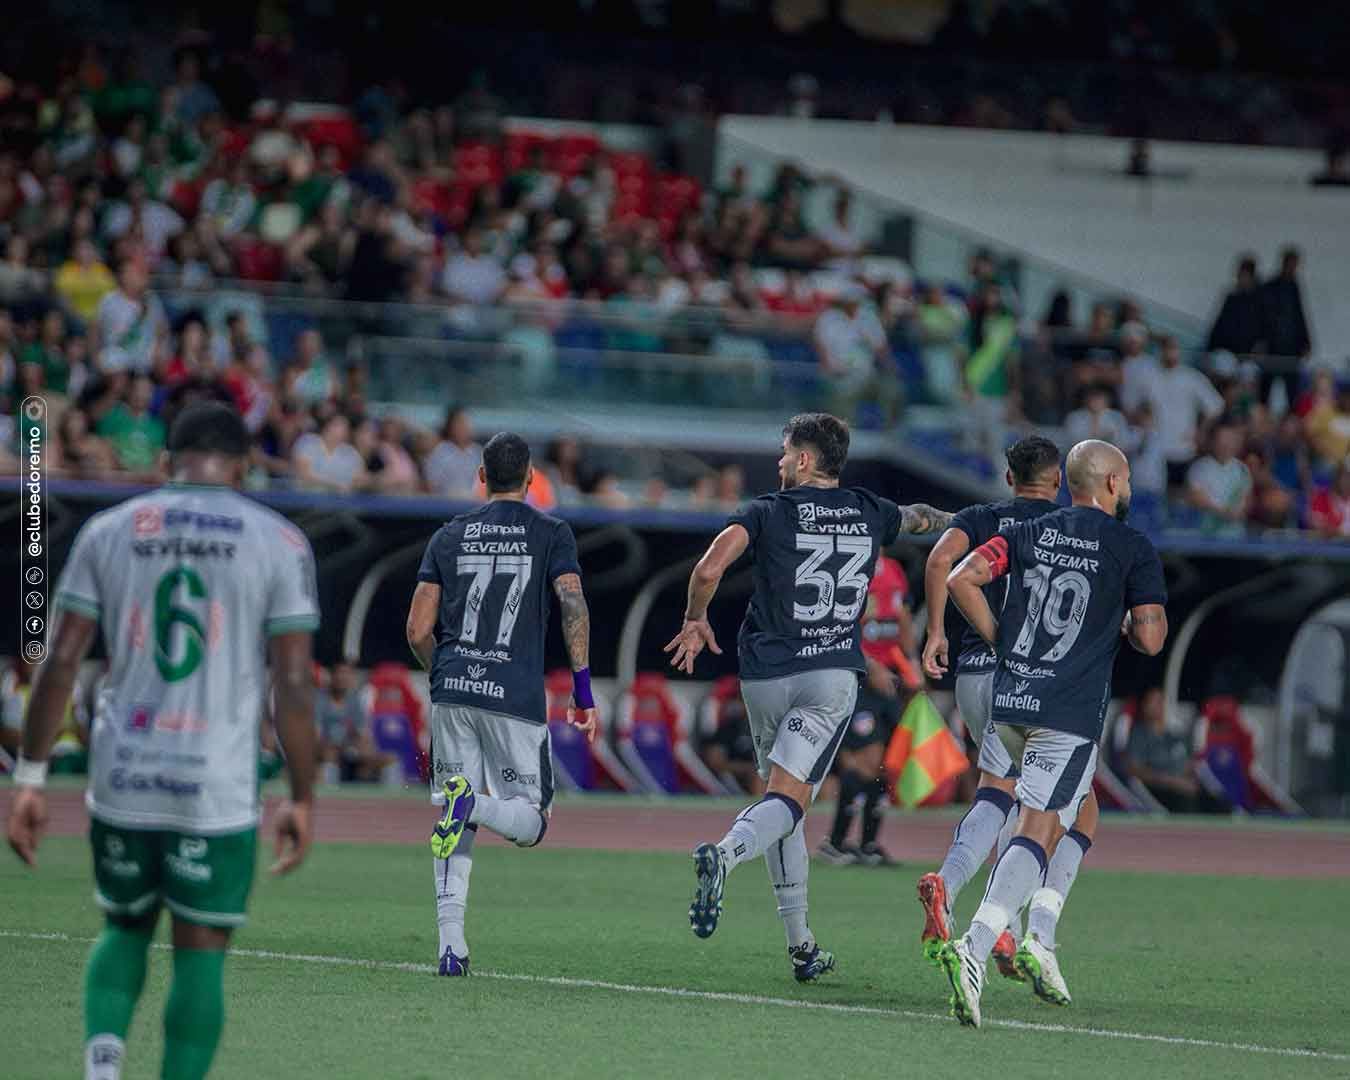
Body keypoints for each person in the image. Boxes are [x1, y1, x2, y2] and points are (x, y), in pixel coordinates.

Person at [5, 401, 319, 1079]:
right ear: (242, 467)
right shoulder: (280, 540)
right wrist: (302, 796)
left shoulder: (108, 531)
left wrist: (28, 780)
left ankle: (102, 1065)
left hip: (125, 769)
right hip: (215, 778)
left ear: (167, 461)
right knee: (201, 946)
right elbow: (292, 681)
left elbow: (59, 662)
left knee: (125, 925)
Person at [664, 412, 951, 981]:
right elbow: (926, 519)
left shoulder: (765, 511)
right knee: (790, 801)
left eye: (784, 451)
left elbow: (708, 568)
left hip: (765, 675)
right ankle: (724, 855)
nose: (778, 461)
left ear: (803, 460)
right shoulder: (872, 510)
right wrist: (979, 520)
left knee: (782, 803)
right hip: (829, 677)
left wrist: (696, 619)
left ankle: (802, 946)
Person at [938, 439, 1167, 1028]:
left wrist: (1001, 642)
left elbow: (964, 578)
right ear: (1113, 483)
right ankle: (980, 944)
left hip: (1012, 699)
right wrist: (1126, 617)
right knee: (1038, 827)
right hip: (1067, 710)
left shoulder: (1028, 529)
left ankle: (1040, 937)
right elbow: (1151, 638)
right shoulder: (1131, 546)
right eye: (1128, 478)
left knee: (1079, 811)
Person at [406, 432, 598, 977]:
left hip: (453, 689)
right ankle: (476, 804)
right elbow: (572, 605)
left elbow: (418, 628)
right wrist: (582, 692)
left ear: (481, 478)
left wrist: (444, 672)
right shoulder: (551, 532)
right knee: (532, 822)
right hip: (512, 694)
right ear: (532, 477)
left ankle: (450, 945)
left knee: (451, 812)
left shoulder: (448, 536)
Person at [918, 434, 1104, 988]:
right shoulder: (1066, 530)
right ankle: (1011, 922)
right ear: (1060, 482)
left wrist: (934, 633)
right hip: (1026, 676)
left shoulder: (980, 516)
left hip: (972, 675)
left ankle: (997, 919)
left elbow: (939, 561)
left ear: (1008, 477)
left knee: (1002, 791)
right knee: (1058, 808)